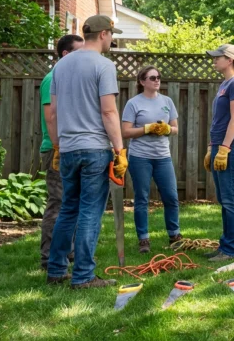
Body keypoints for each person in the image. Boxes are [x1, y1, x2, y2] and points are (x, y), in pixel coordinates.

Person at [46, 15, 127, 289]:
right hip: (94, 149)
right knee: (90, 212)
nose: (111, 40)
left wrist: (58, 146)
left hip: (68, 149)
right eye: (111, 35)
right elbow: (108, 110)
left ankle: (56, 271)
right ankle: (83, 277)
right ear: (104, 34)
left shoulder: (61, 65)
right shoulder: (103, 65)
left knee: (68, 209)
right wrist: (120, 150)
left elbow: (54, 112)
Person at [121, 65, 181, 253]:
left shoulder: (167, 101)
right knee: (142, 198)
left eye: (158, 77)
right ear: (142, 81)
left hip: (163, 156)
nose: (157, 80)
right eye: (152, 77)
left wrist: (167, 130)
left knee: (171, 197)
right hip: (140, 157)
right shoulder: (133, 103)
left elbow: (176, 128)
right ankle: (143, 239)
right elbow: (126, 131)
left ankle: (174, 235)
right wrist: (147, 128)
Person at [39, 34, 84, 270]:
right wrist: (58, 147)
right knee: (58, 203)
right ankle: (48, 258)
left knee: (71, 203)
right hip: (55, 149)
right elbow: (51, 117)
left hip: (69, 148)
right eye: (79, 51)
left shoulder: (67, 79)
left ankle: (69, 251)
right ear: (66, 54)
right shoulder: (52, 78)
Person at [205, 44, 234, 262]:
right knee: (224, 198)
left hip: (231, 147)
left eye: (218, 57)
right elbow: (218, 121)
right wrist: (211, 147)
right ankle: (226, 245)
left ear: (230, 60)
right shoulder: (225, 84)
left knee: (231, 199)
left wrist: (224, 149)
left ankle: (233, 249)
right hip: (220, 146)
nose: (214, 61)